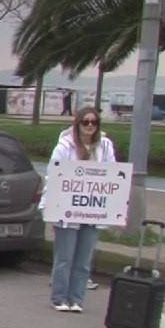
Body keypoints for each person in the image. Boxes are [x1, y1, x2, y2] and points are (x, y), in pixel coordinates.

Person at [47, 107, 115, 313]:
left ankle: (77, 298)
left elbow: (112, 172)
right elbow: (55, 174)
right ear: (78, 124)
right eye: (85, 122)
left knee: (84, 260)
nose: (90, 126)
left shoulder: (105, 145)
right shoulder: (65, 146)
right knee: (65, 257)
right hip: (67, 211)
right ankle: (59, 297)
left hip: (92, 211)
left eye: (94, 122)